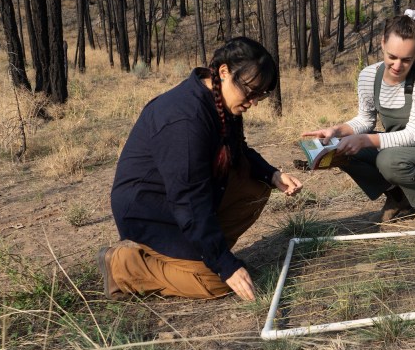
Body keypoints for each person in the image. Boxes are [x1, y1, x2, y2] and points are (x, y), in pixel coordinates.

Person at [99, 37, 303, 301]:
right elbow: (188, 200)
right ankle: (123, 265)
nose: (253, 102)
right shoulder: (185, 119)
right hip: (149, 211)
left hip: (182, 201)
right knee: (216, 283)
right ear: (224, 71)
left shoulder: (221, 102)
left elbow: (238, 150)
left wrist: (272, 174)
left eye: (260, 95)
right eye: (251, 91)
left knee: (257, 183)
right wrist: (225, 266)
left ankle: (201, 253)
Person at [302, 7, 415, 230]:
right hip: (400, 149)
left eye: (406, 60)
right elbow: (365, 121)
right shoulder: (368, 76)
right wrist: (336, 131)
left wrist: (365, 140)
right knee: (344, 149)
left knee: (388, 159)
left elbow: (413, 135)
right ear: (382, 43)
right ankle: (399, 198)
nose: (397, 66)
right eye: (392, 57)